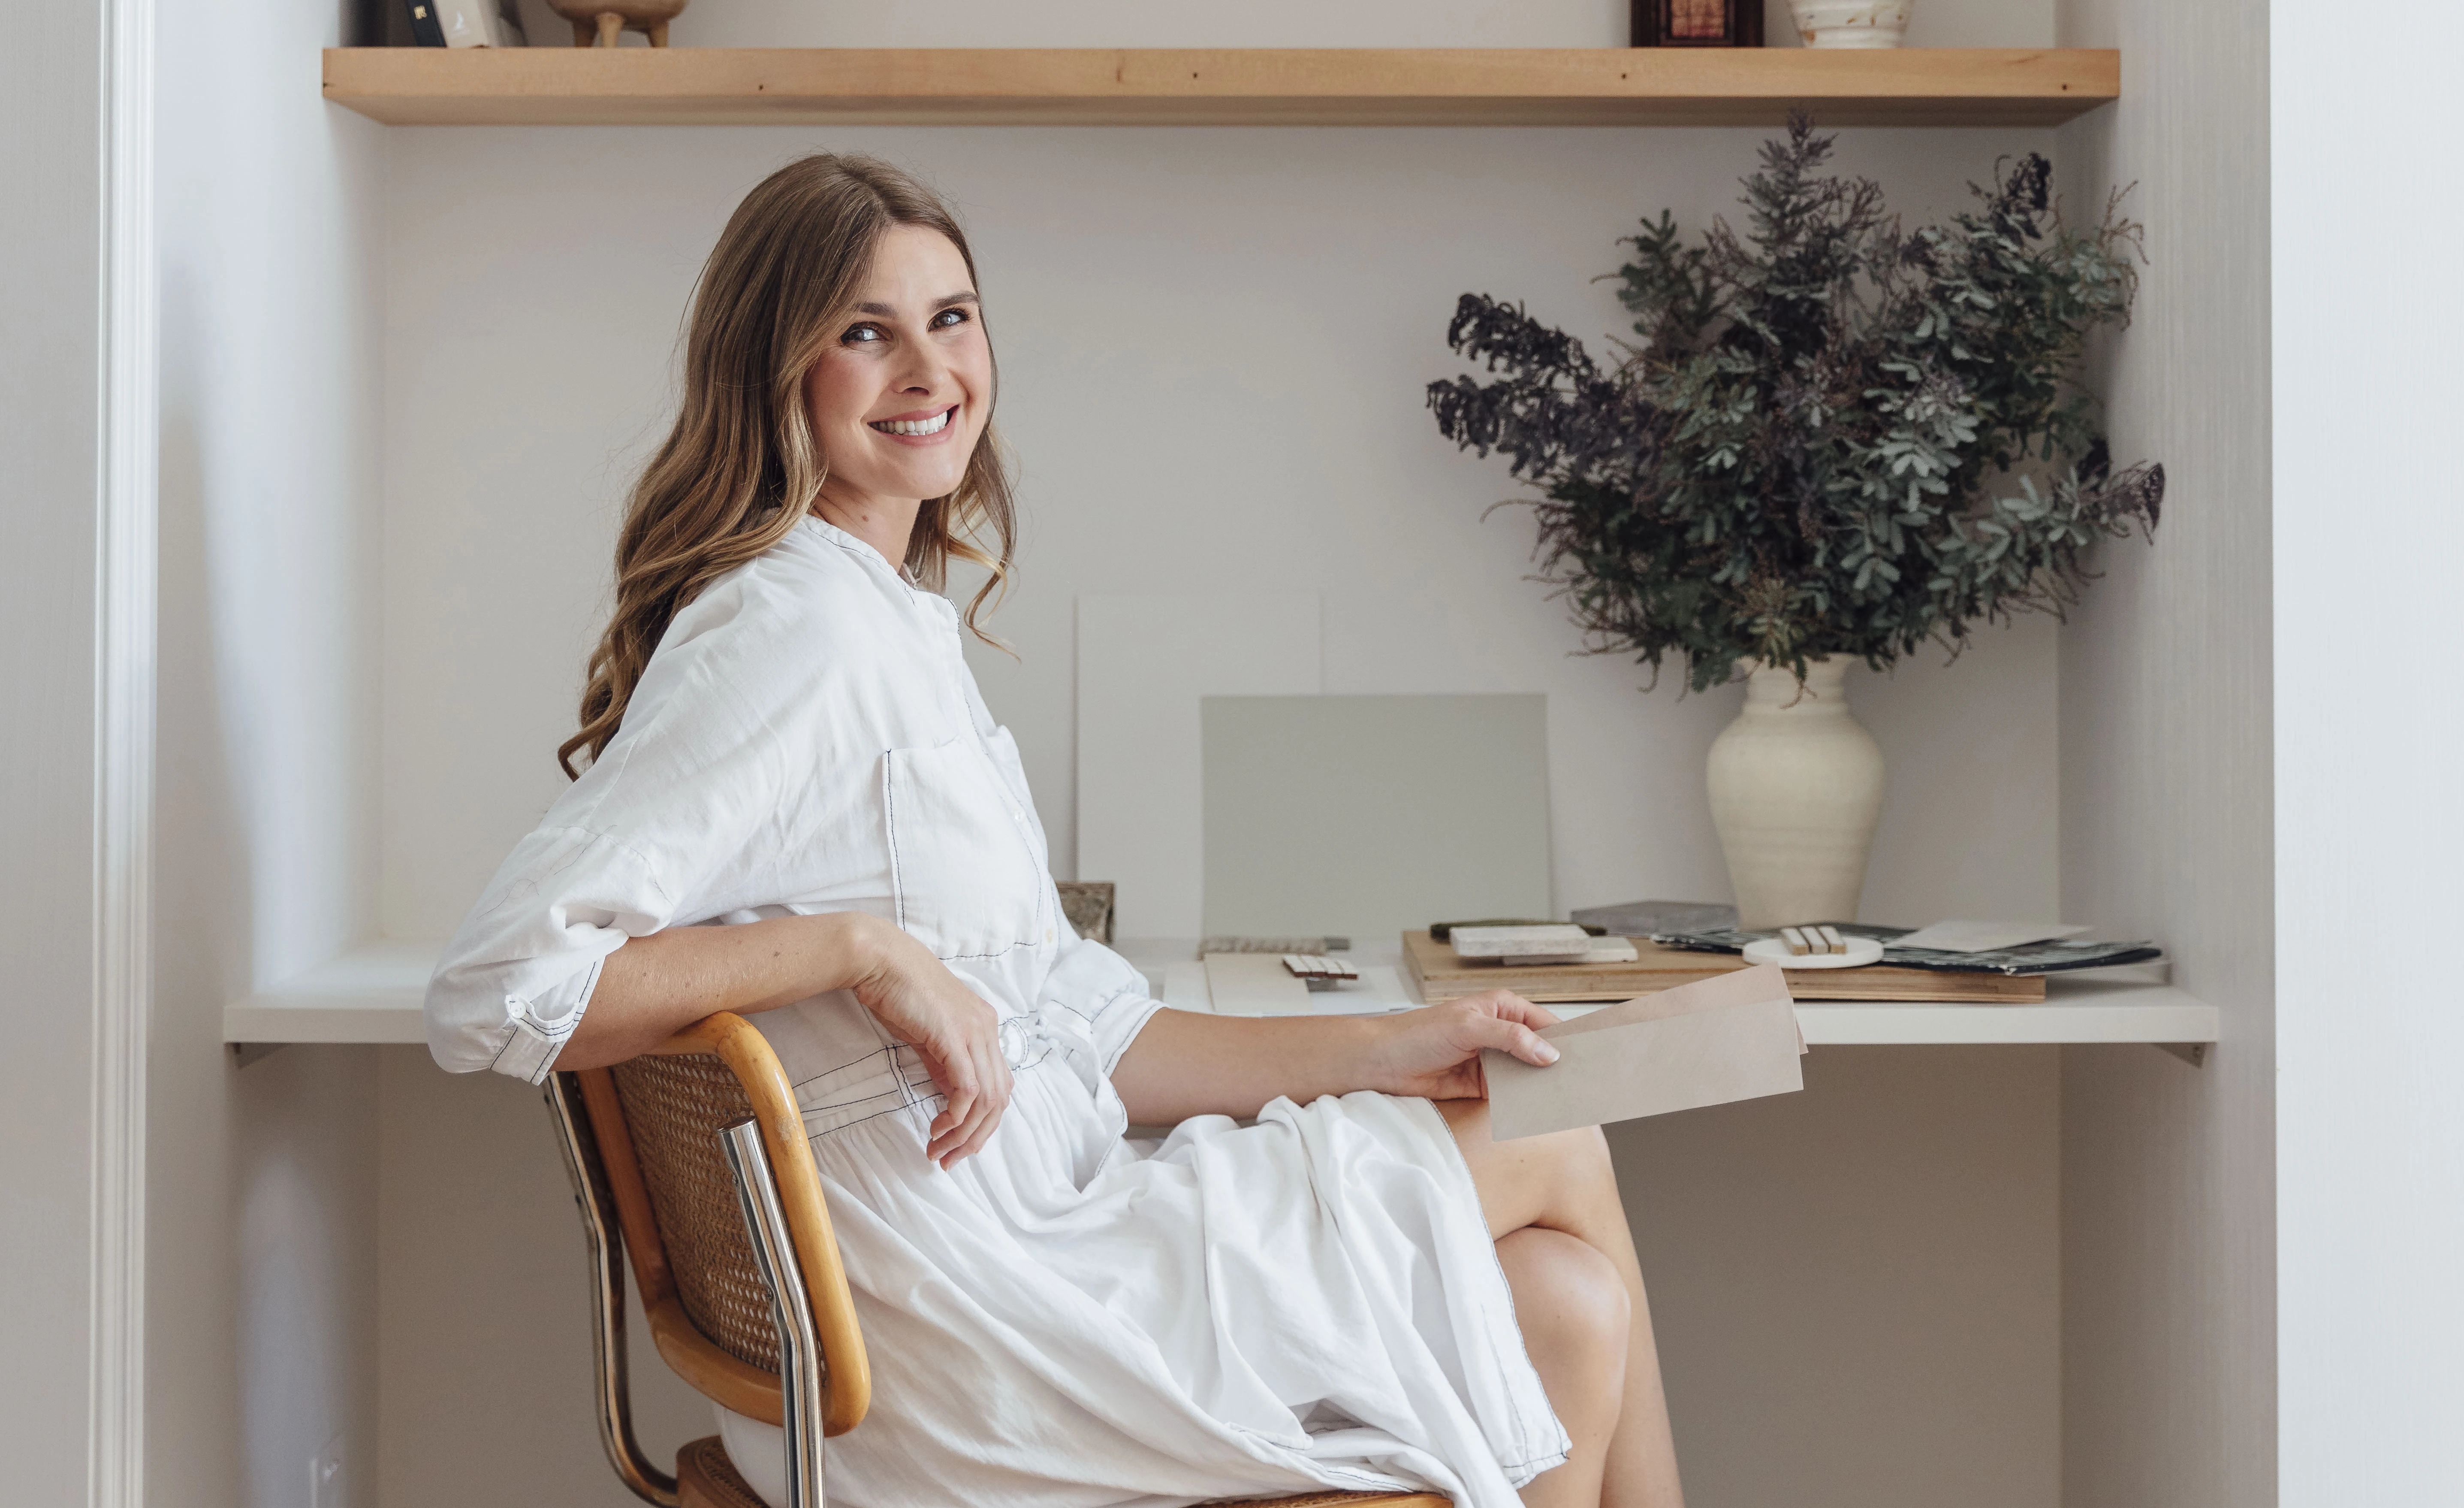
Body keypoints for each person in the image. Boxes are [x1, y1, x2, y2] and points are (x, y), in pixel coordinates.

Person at [424, 154, 1684, 1508]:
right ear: (777, 371)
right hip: (966, 1327)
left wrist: (1397, 1049)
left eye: (951, 318)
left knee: (1564, 1304)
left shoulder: (880, 620)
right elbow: (503, 990)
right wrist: (856, 950)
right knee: (1558, 1135)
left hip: (1042, 1248)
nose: (928, 371)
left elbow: (1092, 1040)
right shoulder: (790, 629)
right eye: (866, 333)